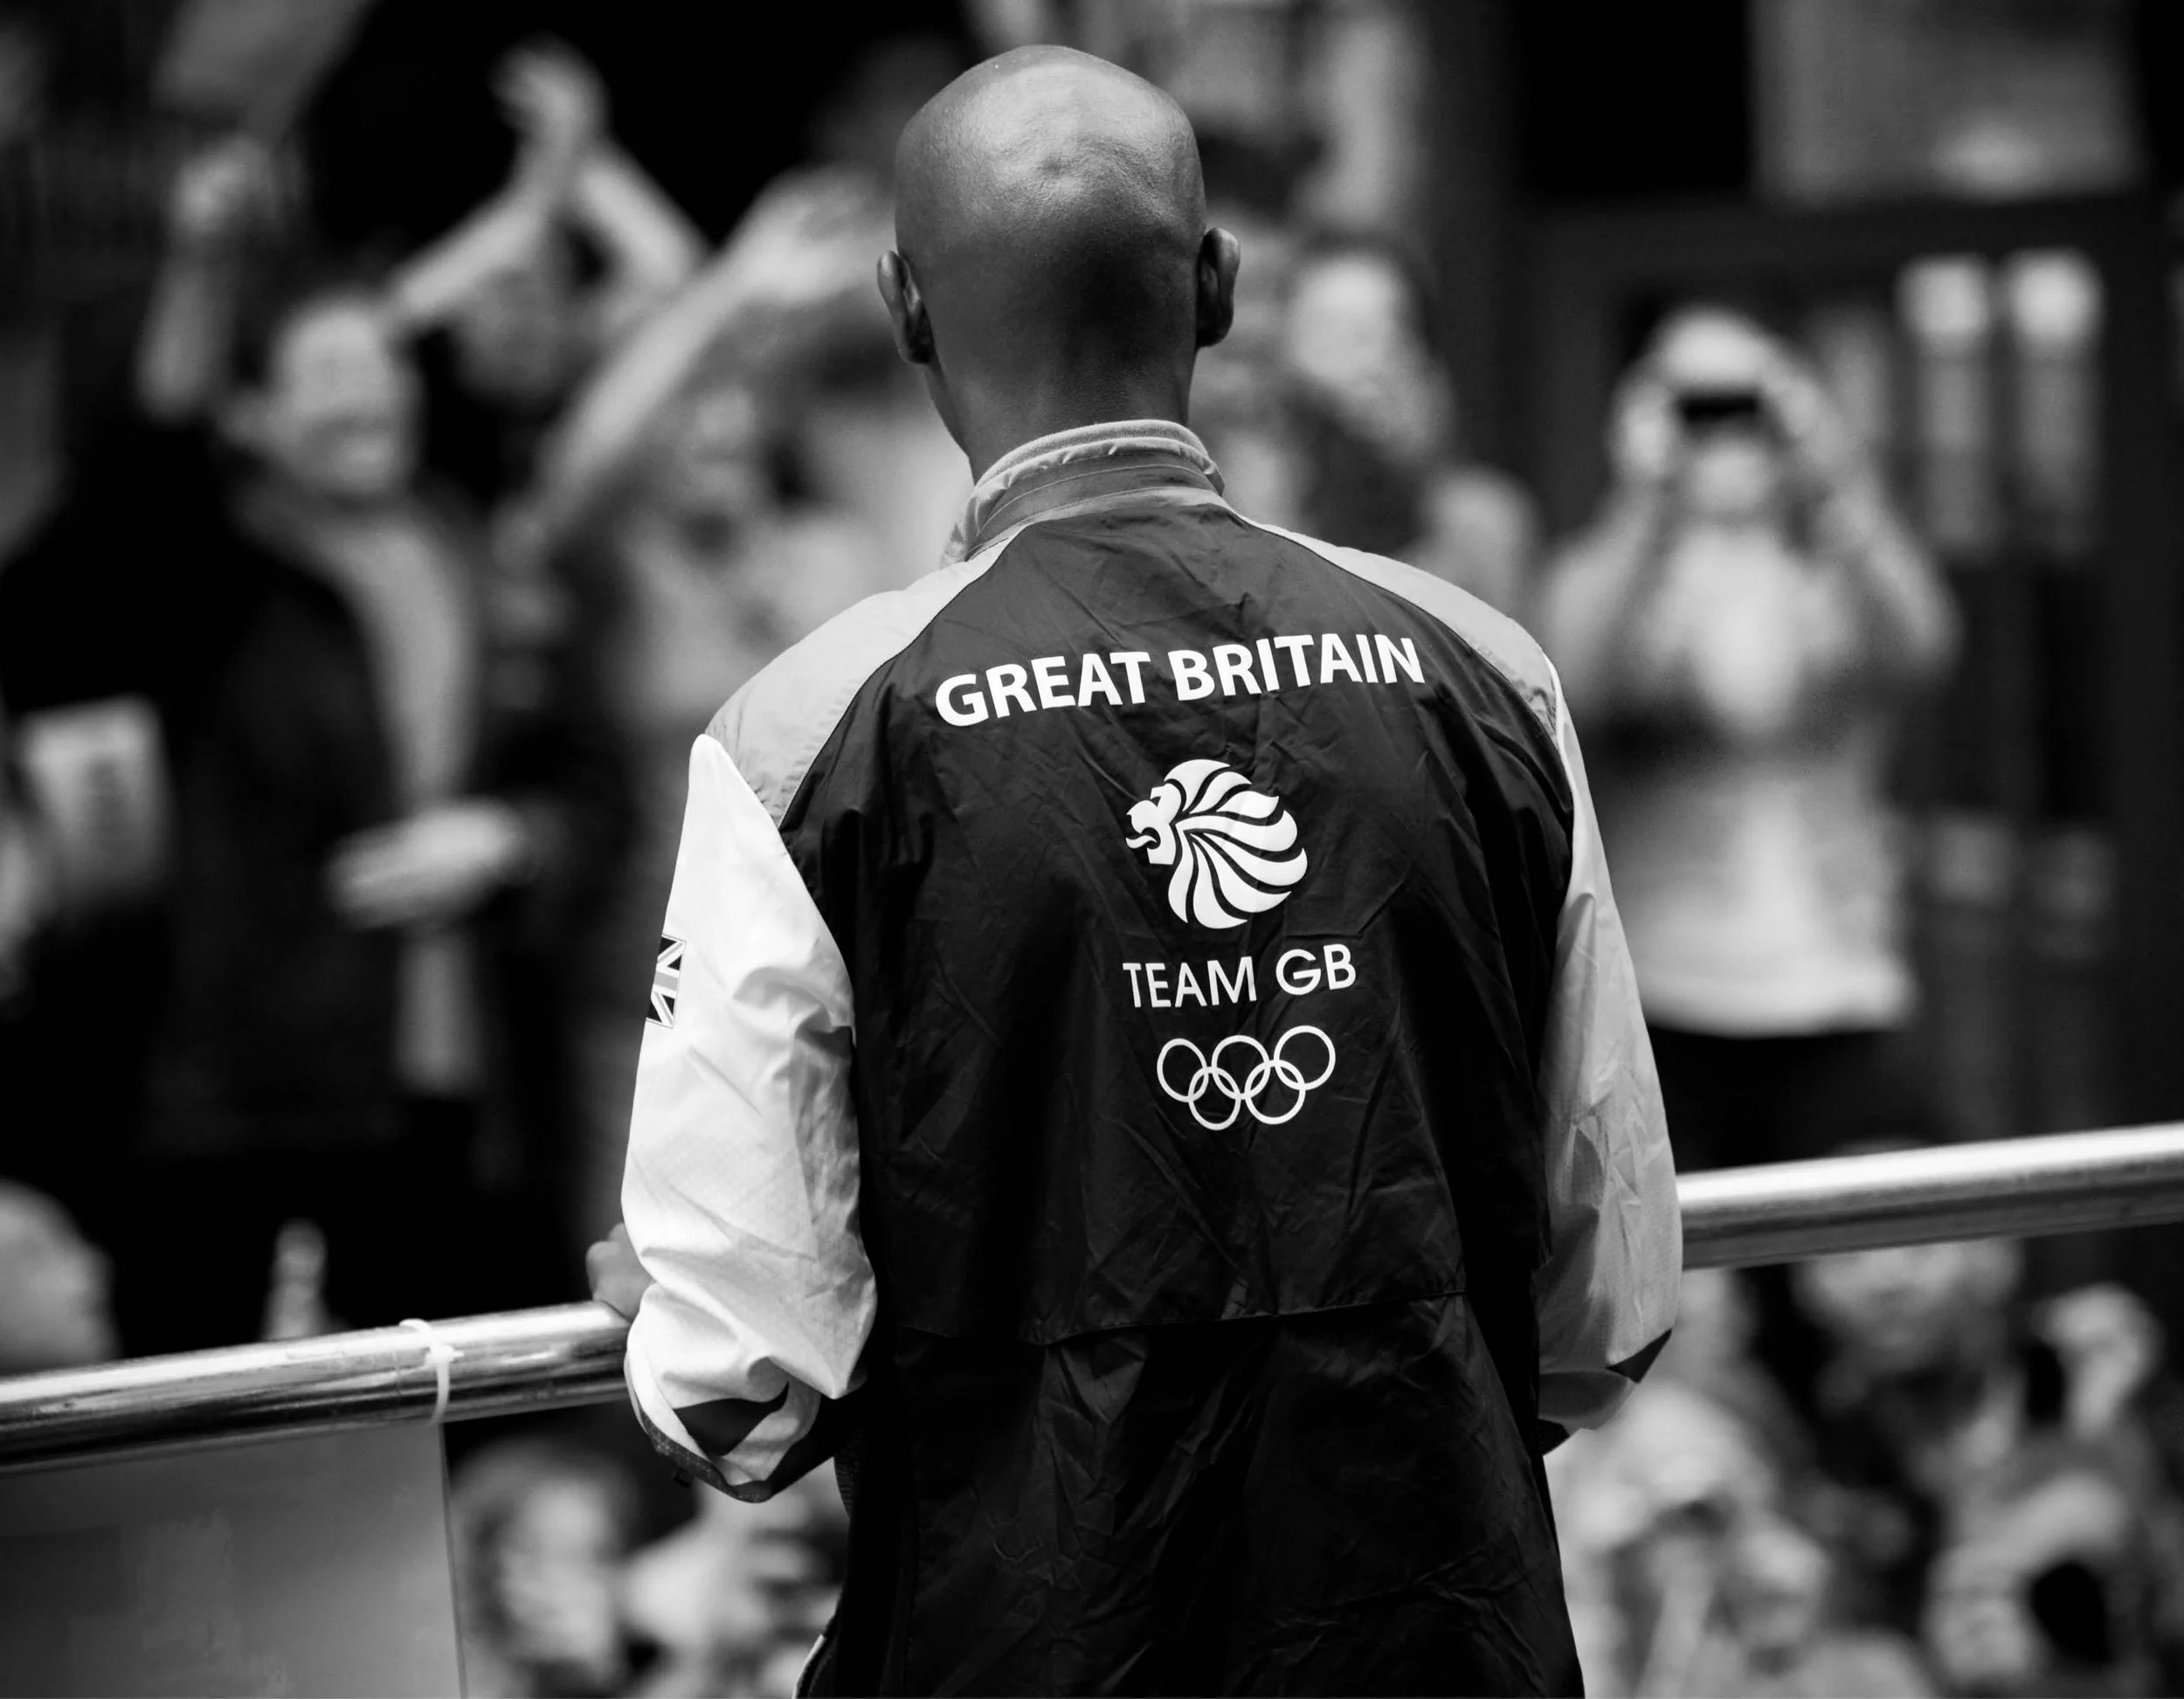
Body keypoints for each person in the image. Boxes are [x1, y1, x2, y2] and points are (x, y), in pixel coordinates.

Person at [588, 45, 1677, 1696]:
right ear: (1222, 285)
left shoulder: (808, 734)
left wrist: (668, 1320)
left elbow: (742, 1396)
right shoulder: (1479, 669)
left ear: (904, 305)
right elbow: (1610, 1305)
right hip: (1441, 1634)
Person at [1537, 307, 1959, 1180]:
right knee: (1698, 1302)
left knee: (1844, 1283)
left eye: (1744, 400)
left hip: (1835, 984)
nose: (1723, 432)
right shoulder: (1618, 567)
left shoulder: (1828, 564)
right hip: (1666, 992)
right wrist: (1642, 498)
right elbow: (1570, 675)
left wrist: (1835, 476)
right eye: (1695, 403)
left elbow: (1923, 644)